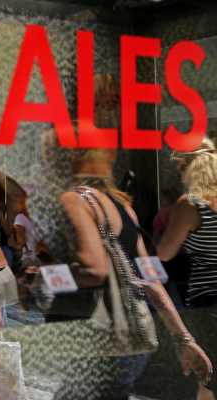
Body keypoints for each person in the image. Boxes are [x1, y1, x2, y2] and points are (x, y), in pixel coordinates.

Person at [39, 148, 212, 399]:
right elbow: (152, 281)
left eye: (49, 157)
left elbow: (93, 272)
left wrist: (43, 276)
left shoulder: (74, 201)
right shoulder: (124, 208)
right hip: (132, 340)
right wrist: (183, 338)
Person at [158, 138, 217, 399]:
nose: (180, 175)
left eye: (181, 167)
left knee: (207, 380)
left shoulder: (191, 204)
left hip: (208, 304)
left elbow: (164, 253)